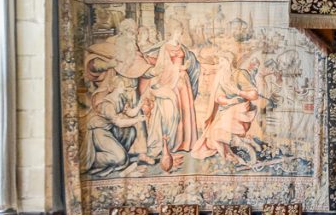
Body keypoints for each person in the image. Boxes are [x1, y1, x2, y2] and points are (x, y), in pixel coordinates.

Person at [143, 22, 200, 172]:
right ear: (174, 32)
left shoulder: (181, 47)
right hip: (172, 82)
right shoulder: (165, 47)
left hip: (183, 81)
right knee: (173, 112)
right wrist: (179, 68)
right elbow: (162, 67)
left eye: (182, 33)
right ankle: (172, 143)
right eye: (180, 33)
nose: (181, 35)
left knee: (185, 110)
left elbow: (187, 61)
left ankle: (185, 143)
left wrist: (186, 67)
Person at [191, 52, 261, 167]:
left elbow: (254, 95)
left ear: (229, 62)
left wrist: (238, 92)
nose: (220, 65)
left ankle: (247, 148)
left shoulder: (240, 74)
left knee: (215, 134)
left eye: (222, 62)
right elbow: (218, 98)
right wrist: (229, 101)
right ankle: (230, 156)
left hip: (241, 110)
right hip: (228, 111)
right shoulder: (223, 77)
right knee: (210, 138)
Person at [81, 70, 146, 176]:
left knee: (131, 131)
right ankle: (92, 159)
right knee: (120, 158)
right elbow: (119, 123)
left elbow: (129, 112)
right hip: (99, 131)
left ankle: (117, 155)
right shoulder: (108, 104)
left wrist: (139, 106)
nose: (125, 87)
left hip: (110, 129)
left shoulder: (122, 98)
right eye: (122, 85)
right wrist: (137, 120)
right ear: (116, 87)